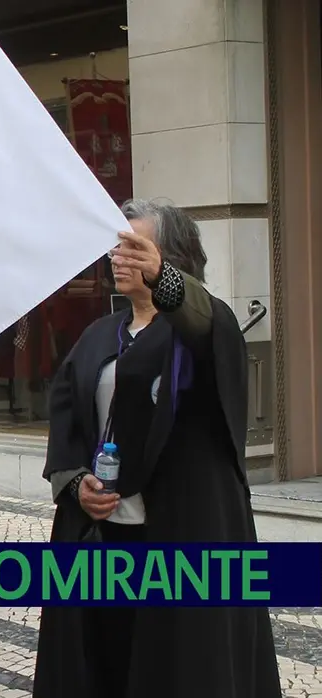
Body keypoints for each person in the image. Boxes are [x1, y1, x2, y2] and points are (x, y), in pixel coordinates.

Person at [34, 200, 282, 698]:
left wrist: (165, 282)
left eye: (135, 247)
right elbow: (67, 424)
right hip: (104, 538)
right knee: (105, 661)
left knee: (180, 668)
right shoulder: (99, 336)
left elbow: (202, 321)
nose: (119, 257)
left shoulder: (206, 330)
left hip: (182, 536)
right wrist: (76, 481)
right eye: (117, 246)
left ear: (171, 259)